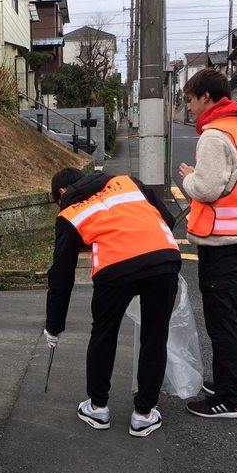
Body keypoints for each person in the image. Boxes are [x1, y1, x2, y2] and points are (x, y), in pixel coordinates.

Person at [44, 168, 181, 437]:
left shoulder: (69, 213)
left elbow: (61, 275)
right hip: (163, 259)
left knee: (104, 334)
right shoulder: (126, 181)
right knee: (154, 336)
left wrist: (54, 326)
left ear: (62, 191)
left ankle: (97, 408)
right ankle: (143, 415)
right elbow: (167, 219)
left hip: (114, 268)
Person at [177, 68, 237, 419]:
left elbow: (208, 187)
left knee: (222, 322)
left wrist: (188, 179)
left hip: (222, 245)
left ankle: (227, 399)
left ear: (206, 98)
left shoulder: (214, 136)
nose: (189, 109)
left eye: (190, 101)